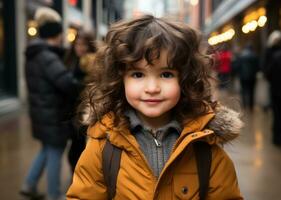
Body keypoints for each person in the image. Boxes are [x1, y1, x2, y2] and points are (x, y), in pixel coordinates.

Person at [66, 15, 244, 199]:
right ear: (120, 79)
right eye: (137, 74)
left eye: (166, 74)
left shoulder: (205, 145)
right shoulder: (103, 145)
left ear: (185, 79)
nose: (152, 88)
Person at [20, 7, 79, 200]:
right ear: (55, 35)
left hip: (42, 112)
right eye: (61, 33)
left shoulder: (35, 54)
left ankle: (29, 184)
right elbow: (66, 83)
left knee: (47, 150)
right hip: (52, 114)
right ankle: (54, 194)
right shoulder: (48, 57)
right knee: (55, 152)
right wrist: (80, 83)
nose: (63, 36)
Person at [64, 29, 96, 173]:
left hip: (84, 110)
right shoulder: (70, 59)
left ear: (89, 46)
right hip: (70, 110)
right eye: (77, 44)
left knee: (80, 148)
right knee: (74, 148)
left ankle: (79, 178)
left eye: (83, 45)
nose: (79, 48)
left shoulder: (93, 62)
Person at [236, 44, 259, 111]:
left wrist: (239, 73)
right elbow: (257, 67)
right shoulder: (254, 56)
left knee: (243, 91)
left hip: (243, 77)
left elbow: (238, 66)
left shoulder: (241, 56)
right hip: (252, 77)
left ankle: (244, 105)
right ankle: (251, 106)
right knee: (252, 91)